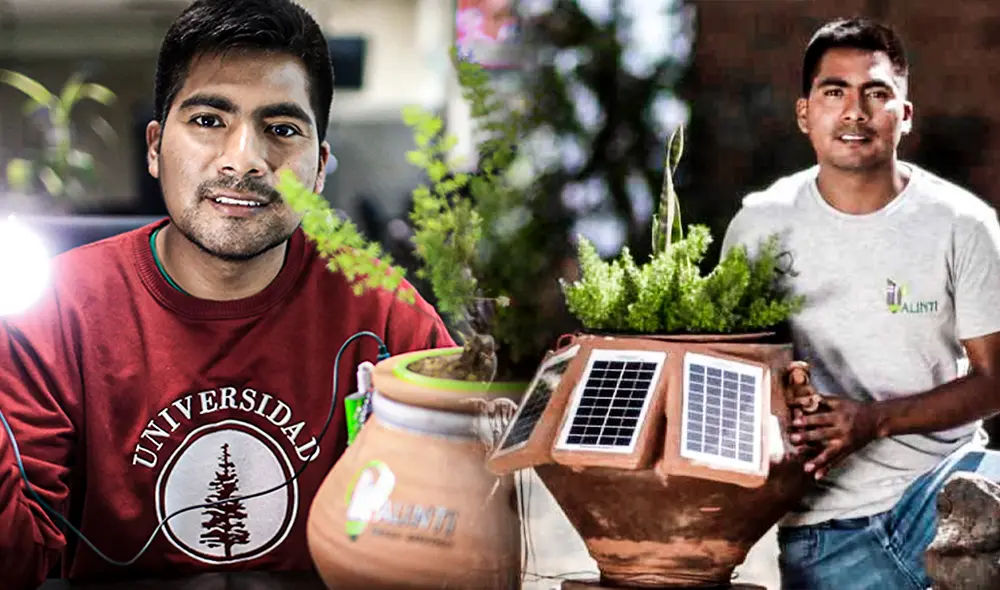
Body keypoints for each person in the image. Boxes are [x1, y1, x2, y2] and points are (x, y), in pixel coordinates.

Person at [0, 0, 455, 587]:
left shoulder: (384, 312)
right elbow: (17, 560)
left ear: (319, 168)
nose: (244, 160)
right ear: (155, 147)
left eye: (282, 129)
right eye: (209, 120)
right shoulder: (55, 312)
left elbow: (454, 530)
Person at [721, 17, 1000, 590]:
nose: (855, 112)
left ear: (905, 113)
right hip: (827, 532)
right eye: (834, 92)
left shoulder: (963, 224)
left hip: (948, 495)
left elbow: (995, 381)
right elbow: (727, 373)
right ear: (805, 113)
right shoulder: (760, 226)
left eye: (876, 93)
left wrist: (873, 420)